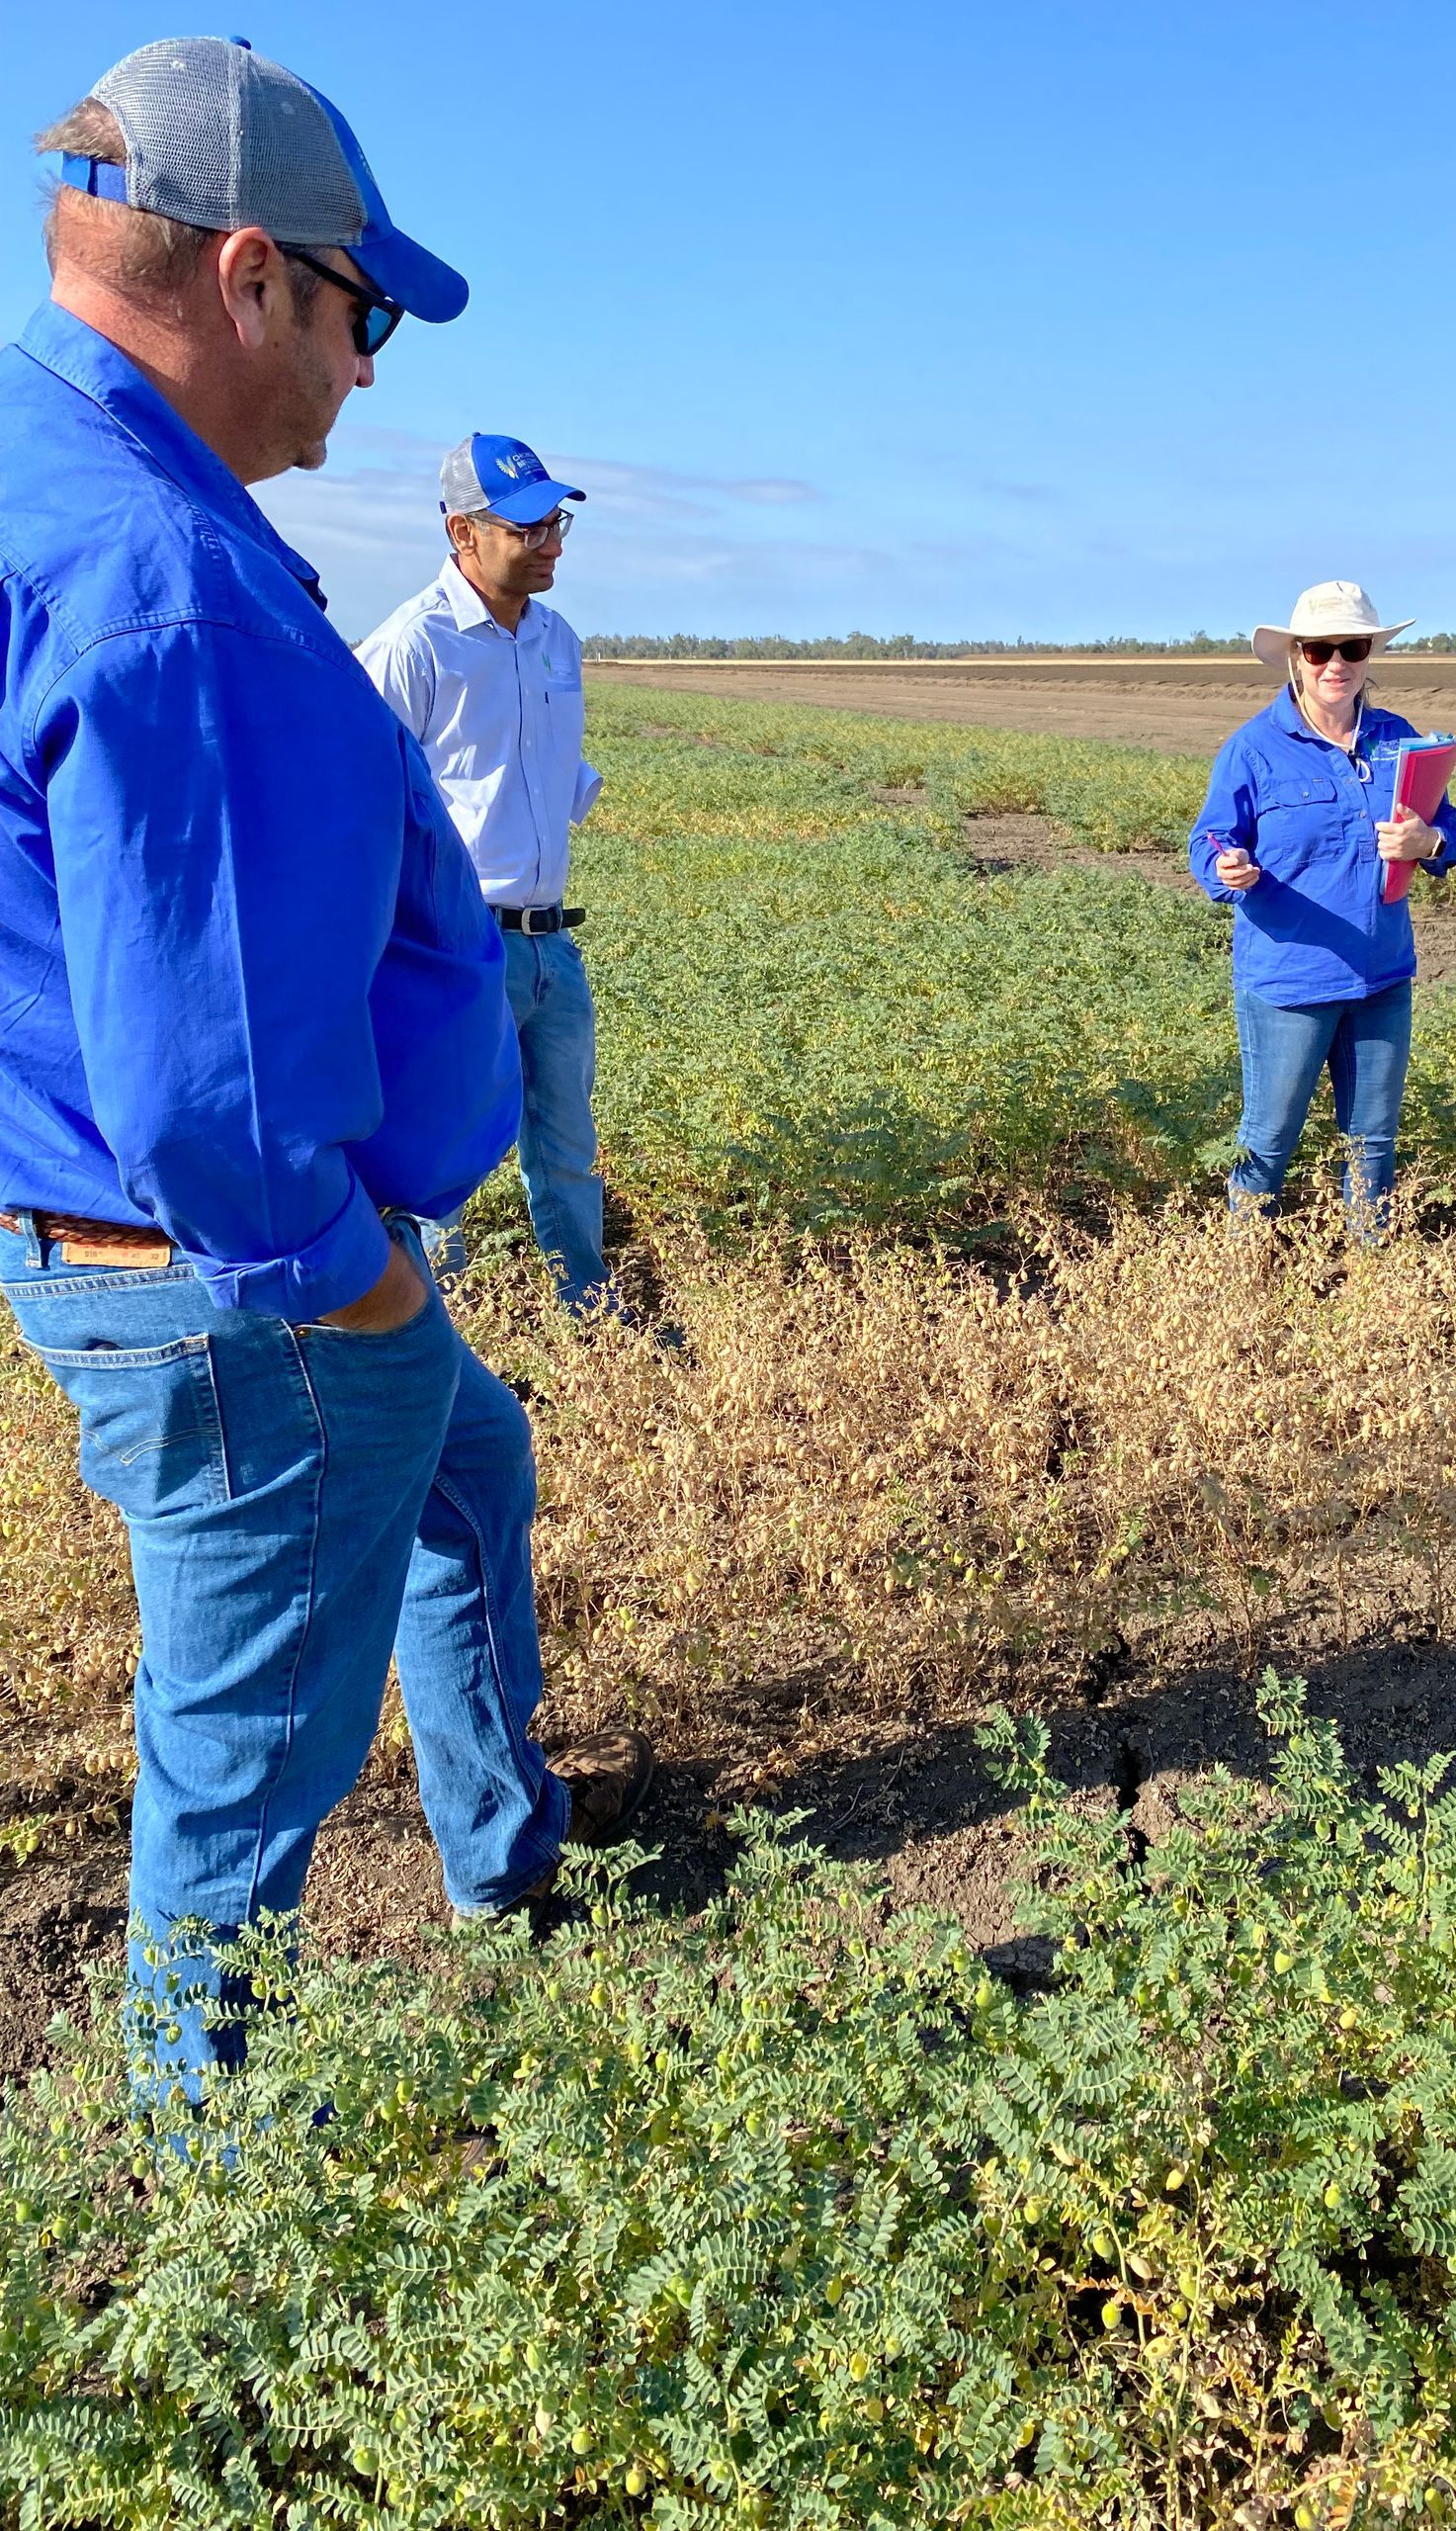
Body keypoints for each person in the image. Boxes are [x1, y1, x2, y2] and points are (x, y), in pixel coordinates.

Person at [0, 38, 650, 2098]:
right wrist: (347, 1280)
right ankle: (224, 2222)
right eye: (364, 313)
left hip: (170, 1244)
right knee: (242, 1773)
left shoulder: (52, 461)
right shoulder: (163, 578)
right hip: (242, 1284)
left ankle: (508, 1857)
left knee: (474, 1463)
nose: (370, 369)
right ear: (253, 274)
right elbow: (221, 1096)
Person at [357, 437, 615, 1314]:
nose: (552, 542)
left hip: (551, 948)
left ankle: (588, 1312)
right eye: (529, 525)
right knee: (447, 1148)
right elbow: (357, 802)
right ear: (463, 530)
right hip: (455, 946)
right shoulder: (410, 647)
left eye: (557, 521)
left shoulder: (557, 642)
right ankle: (443, 1329)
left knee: (568, 1147)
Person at [1188, 581, 1456, 1230]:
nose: (1335, 662)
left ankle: (1371, 1275)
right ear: (1296, 657)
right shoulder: (1253, 748)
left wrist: (1430, 840)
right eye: (1319, 649)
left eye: (1353, 646)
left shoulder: (1400, 742)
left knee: (1372, 1143)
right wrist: (1228, 866)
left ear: (1370, 654)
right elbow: (1209, 842)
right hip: (1289, 982)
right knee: (1269, 1139)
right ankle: (1241, 1272)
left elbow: (1447, 831)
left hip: (1382, 976)